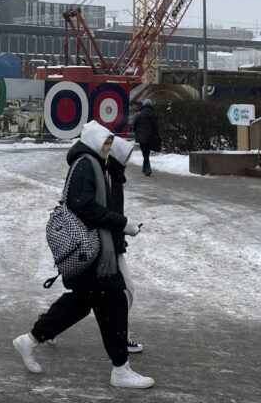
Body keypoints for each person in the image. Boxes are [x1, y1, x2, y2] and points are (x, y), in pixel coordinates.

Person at [13, 120, 154, 389]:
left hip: (91, 250)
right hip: (89, 249)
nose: (109, 148)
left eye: (111, 143)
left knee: (80, 303)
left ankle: (30, 340)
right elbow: (83, 205)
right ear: (93, 142)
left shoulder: (92, 163)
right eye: (106, 143)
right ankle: (120, 370)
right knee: (113, 301)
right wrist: (121, 224)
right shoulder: (86, 164)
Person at [106, 133, 143, 354]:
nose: (128, 161)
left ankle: (46, 330)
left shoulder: (114, 175)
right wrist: (123, 226)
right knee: (126, 290)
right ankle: (122, 336)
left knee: (83, 299)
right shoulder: (110, 177)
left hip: (111, 242)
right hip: (107, 244)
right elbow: (106, 213)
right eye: (126, 156)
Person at [132, 99, 162, 177]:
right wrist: (157, 134)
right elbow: (157, 127)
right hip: (151, 137)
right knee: (146, 153)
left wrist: (136, 131)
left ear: (144, 104)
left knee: (145, 153)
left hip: (141, 137)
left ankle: (148, 168)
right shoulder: (154, 114)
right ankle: (144, 169)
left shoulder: (139, 114)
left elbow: (134, 124)